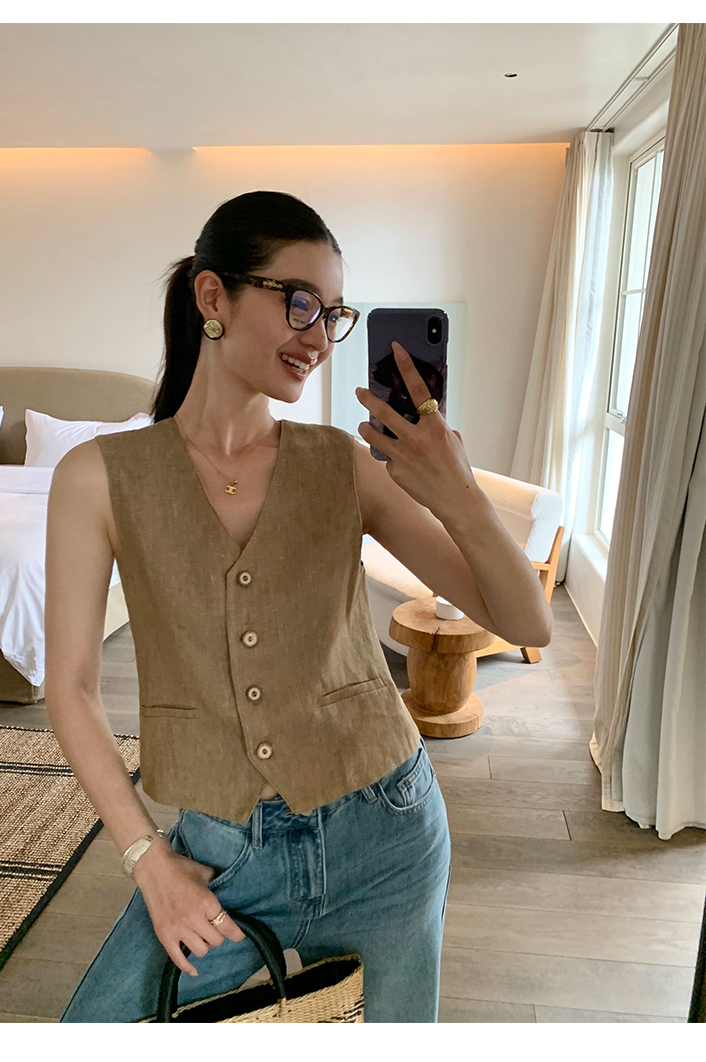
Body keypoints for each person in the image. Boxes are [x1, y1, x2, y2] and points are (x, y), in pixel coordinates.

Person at [46, 190, 458, 1023]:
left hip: (388, 833)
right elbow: (70, 689)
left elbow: (525, 621)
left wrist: (460, 490)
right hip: (222, 856)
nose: (319, 336)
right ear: (213, 296)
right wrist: (147, 860)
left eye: (333, 314)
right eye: (300, 302)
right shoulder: (98, 476)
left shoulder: (342, 462)